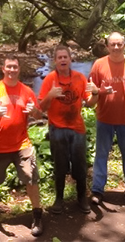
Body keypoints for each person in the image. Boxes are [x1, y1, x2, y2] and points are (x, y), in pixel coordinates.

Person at [0, 54, 44, 237]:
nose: (12, 70)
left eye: (15, 67)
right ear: (3, 69)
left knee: (30, 176)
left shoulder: (27, 91)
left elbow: (39, 116)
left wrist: (34, 111)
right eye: (8, 67)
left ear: (19, 69)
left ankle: (37, 214)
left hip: (21, 144)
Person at [38, 45, 99, 214]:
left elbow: (90, 103)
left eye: (66, 57)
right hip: (57, 128)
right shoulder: (50, 79)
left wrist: (95, 94)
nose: (63, 60)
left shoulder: (80, 78)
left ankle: (81, 197)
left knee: (80, 164)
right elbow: (41, 107)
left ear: (70, 59)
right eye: (60, 57)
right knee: (60, 165)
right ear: (55, 61)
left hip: (77, 128)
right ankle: (59, 199)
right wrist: (50, 95)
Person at [89, 32, 125, 207]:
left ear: (124, 45)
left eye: (119, 44)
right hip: (104, 118)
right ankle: (97, 190)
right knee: (101, 155)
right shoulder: (99, 65)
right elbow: (90, 89)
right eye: (112, 44)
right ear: (107, 46)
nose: (116, 47)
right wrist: (95, 92)